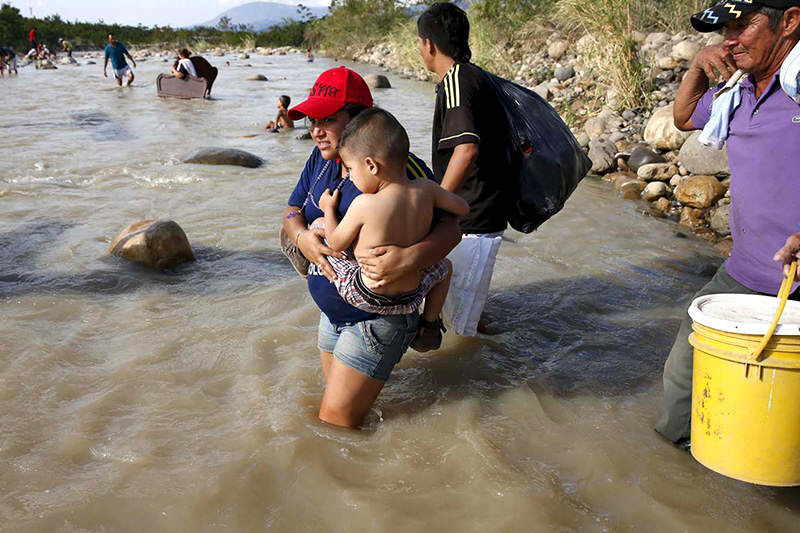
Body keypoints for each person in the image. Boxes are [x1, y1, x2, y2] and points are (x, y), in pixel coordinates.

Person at [282, 66, 461, 428]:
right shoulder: (320, 159)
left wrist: (412, 256)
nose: (315, 130)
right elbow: (290, 211)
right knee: (339, 417)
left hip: (377, 317)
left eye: (327, 119)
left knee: (335, 422)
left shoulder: (400, 168)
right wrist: (303, 239)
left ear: (358, 122)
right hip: (332, 312)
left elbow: (455, 226)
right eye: (311, 120)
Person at [656, 0, 800, 448]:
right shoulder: (736, 92)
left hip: (795, 278)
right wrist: (698, 64)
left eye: (746, 24)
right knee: (688, 357)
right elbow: (683, 117)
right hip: (744, 271)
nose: (730, 39)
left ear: (791, 21)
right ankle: (675, 466)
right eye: (726, 28)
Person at [317, 108, 469, 351]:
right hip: (411, 296)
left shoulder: (364, 204)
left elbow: (336, 242)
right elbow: (462, 207)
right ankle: (429, 325)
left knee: (319, 236)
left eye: (352, 170)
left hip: (367, 293)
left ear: (371, 166)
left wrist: (328, 209)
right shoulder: (427, 188)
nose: (352, 178)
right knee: (445, 268)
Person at [417, 3, 511, 336]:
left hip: (472, 216)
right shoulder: (474, 75)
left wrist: (437, 200)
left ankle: (486, 382)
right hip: (482, 210)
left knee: (461, 329)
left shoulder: (457, 78)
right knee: (467, 310)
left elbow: (467, 147)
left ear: (428, 44)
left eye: (420, 44)